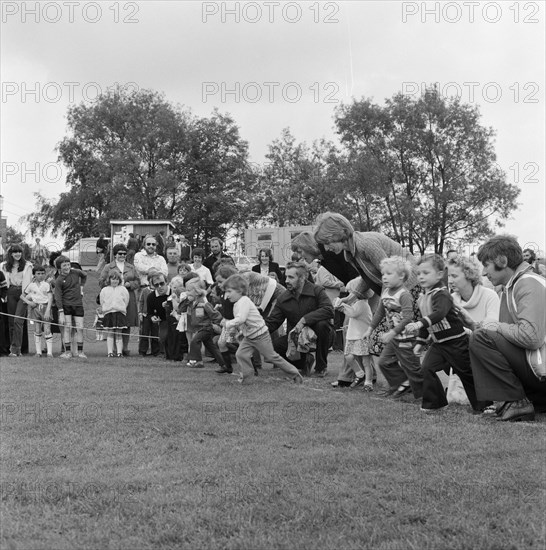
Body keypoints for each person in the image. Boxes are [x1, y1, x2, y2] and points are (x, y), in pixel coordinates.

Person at [469, 236, 546, 421]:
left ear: (502, 261)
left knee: (481, 338)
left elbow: (531, 337)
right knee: (480, 336)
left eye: (486, 265)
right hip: (536, 366)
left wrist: (496, 327)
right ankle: (521, 399)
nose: (484, 272)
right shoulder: (511, 286)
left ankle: (516, 401)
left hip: (541, 368)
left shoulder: (528, 282)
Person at [406, 254, 488, 413]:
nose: (421, 277)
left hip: (456, 342)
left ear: (439, 274)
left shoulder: (442, 294)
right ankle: (434, 404)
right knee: (426, 368)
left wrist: (419, 323)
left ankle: (484, 405)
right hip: (438, 344)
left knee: (467, 374)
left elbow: (439, 314)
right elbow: (426, 320)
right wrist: (420, 342)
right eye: (419, 273)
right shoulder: (422, 298)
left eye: (426, 273)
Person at [222, 274, 303, 384]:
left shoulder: (244, 301)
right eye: (226, 292)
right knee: (240, 354)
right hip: (250, 336)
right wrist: (242, 332)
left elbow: (241, 318)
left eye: (229, 291)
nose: (227, 295)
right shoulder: (237, 303)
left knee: (272, 357)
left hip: (260, 335)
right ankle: (247, 379)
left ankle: (295, 374)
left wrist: (228, 323)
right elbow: (245, 321)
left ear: (240, 290)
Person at [364, 256, 424, 400]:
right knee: (384, 362)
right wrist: (370, 329)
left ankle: (423, 394)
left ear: (401, 276)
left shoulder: (404, 295)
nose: (384, 277)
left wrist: (392, 332)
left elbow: (408, 317)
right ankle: (400, 385)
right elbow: (380, 312)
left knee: (412, 367)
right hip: (395, 338)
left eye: (389, 274)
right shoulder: (385, 292)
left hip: (407, 338)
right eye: (383, 274)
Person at [265, 260, 334, 377]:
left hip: (321, 335)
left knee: (322, 325)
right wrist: (255, 329)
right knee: (274, 347)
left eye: (291, 277)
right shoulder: (283, 298)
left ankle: (321, 367)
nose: (286, 281)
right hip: (296, 337)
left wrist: (304, 320)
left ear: (302, 278)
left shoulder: (317, 291)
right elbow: (273, 322)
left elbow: (329, 309)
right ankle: (304, 362)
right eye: (286, 277)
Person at [98, 244, 140, 356]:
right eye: (120, 253)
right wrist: (110, 285)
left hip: (127, 296)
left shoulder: (131, 267)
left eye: (124, 254)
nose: (122, 255)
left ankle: (124, 348)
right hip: (112, 298)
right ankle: (114, 349)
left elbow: (138, 281)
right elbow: (101, 281)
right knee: (113, 323)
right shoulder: (108, 267)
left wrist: (129, 284)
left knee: (126, 322)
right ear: (115, 254)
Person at [183, 276, 226, 369]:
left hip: (206, 328)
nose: (187, 292)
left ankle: (197, 361)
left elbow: (214, 314)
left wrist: (221, 323)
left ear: (197, 291)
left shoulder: (204, 303)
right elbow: (180, 309)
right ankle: (223, 363)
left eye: (189, 290)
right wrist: (186, 300)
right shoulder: (191, 303)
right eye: (186, 290)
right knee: (212, 347)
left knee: (194, 341)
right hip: (198, 329)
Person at [338, 279, 374, 390]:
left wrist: (341, 306)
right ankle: (360, 374)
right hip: (354, 336)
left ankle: (368, 382)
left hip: (361, 337)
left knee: (366, 361)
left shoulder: (362, 304)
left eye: (351, 292)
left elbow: (352, 313)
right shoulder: (357, 304)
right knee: (348, 356)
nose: (349, 295)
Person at [1, 245, 32, 356]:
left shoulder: (27, 265)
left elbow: (30, 281)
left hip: (23, 294)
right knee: (11, 322)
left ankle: (16, 349)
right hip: (10, 292)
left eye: (19, 252)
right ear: (11, 254)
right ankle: (12, 349)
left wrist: (28, 295)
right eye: (15, 252)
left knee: (18, 321)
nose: (18, 254)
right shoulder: (4, 266)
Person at [54, 255, 87, 359]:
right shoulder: (59, 280)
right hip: (66, 306)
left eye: (68, 264)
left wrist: (81, 287)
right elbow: (58, 296)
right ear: (59, 268)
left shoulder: (76, 272)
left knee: (80, 328)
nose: (67, 267)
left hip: (78, 305)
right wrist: (61, 312)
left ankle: (80, 352)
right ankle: (67, 352)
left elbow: (85, 275)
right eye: (64, 265)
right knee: (67, 329)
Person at [21, 265, 53, 357]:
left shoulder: (47, 285)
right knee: (37, 329)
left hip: (45, 307)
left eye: (43, 273)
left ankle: (49, 353)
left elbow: (50, 298)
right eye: (38, 274)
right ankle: (38, 352)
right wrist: (29, 302)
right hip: (35, 309)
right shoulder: (31, 285)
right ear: (34, 275)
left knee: (47, 329)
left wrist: (48, 310)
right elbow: (22, 296)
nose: (41, 275)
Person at [100, 270, 130, 358]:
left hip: (119, 313)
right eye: (112, 279)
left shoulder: (123, 289)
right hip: (109, 313)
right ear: (109, 280)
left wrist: (121, 308)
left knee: (119, 333)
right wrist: (106, 309)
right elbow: (102, 301)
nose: (115, 281)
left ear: (119, 280)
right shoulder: (104, 290)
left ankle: (119, 352)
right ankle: (110, 352)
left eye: (117, 279)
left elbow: (126, 300)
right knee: (110, 332)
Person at [145, 271, 171, 357]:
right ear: (153, 286)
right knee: (162, 338)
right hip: (163, 320)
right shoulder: (151, 297)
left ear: (166, 282)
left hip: (177, 319)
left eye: (162, 283)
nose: (160, 287)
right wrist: (152, 318)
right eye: (156, 285)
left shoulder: (173, 292)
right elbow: (150, 313)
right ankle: (166, 353)